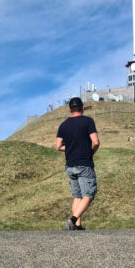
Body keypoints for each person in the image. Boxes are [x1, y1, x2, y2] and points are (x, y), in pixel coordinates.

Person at [56, 98, 100, 230]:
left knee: (77, 196)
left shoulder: (63, 125)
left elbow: (58, 146)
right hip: (84, 164)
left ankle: (77, 226)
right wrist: (90, 152)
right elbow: (96, 142)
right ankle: (73, 220)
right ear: (82, 108)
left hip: (70, 165)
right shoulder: (88, 121)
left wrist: (70, 148)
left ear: (69, 110)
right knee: (89, 194)